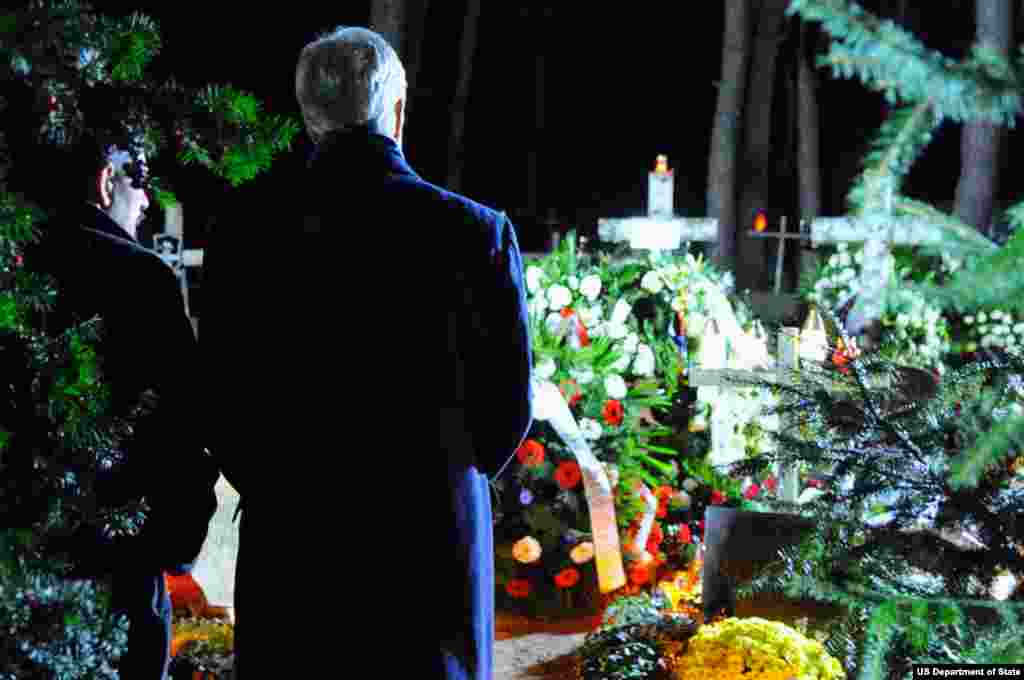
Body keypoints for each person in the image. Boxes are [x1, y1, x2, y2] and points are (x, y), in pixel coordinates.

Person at [199, 26, 532, 679]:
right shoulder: (474, 232)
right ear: (398, 111)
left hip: (295, 537)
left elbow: (218, 396)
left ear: (308, 113)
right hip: (429, 535)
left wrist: (281, 484)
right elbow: (506, 404)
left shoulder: (245, 233)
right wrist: (441, 477)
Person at [9, 103, 219, 679]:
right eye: (142, 179)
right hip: (118, 565)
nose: (148, 201)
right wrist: (176, 535)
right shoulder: (141, 278)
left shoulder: (15, 271)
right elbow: (185, 423)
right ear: (106, 181)